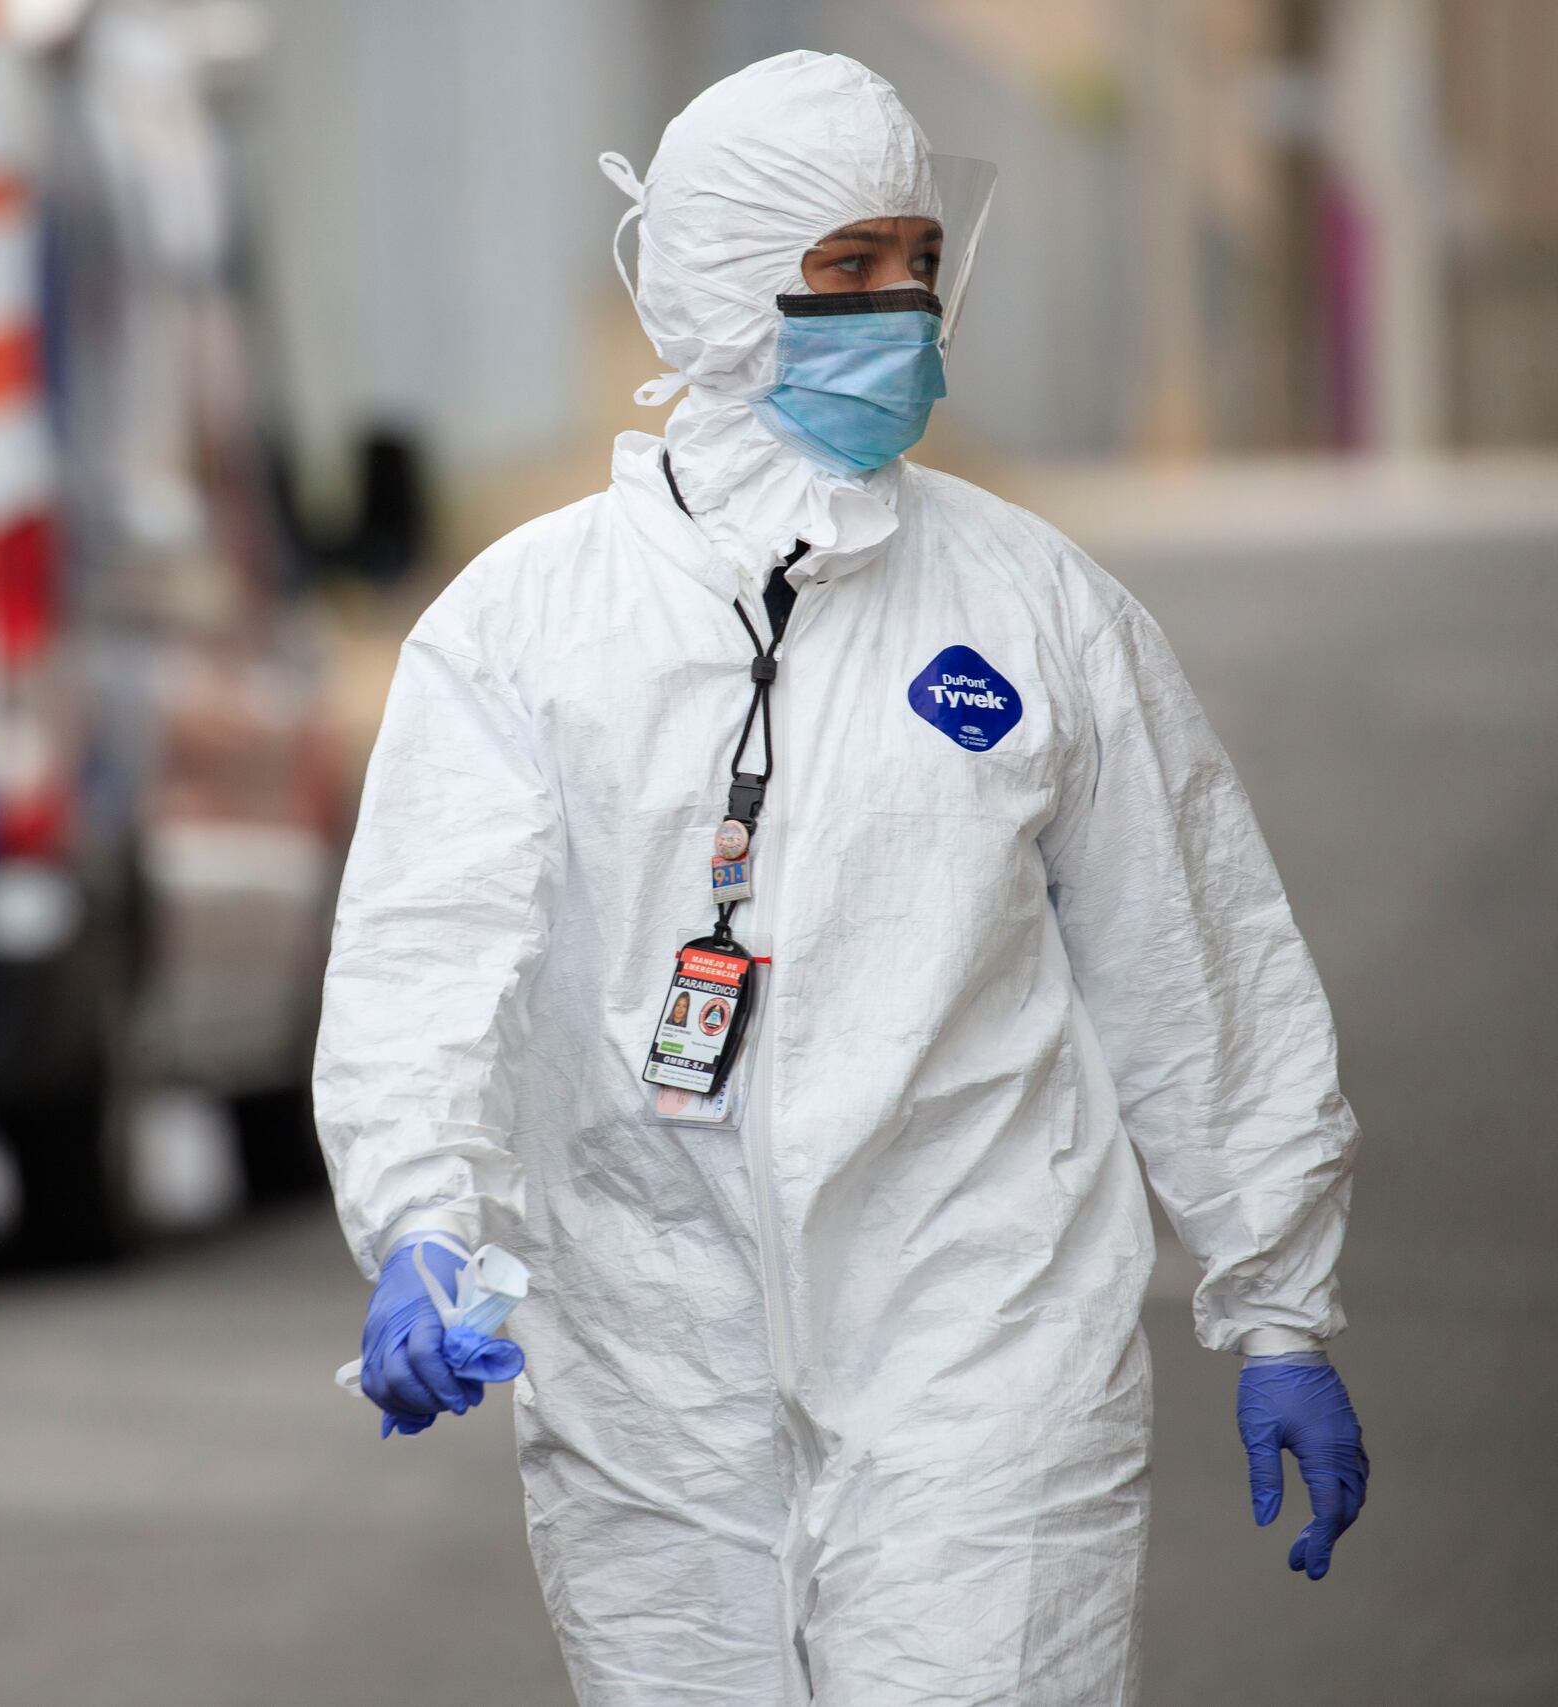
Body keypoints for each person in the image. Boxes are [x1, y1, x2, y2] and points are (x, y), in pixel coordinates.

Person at [316, 51, 1367, 1706]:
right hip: (649, 1362)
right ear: (727, 280)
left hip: (986, 1351)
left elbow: (1196, 956)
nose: (905, 312)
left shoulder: (1036, 610)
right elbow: (430, 956)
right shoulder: (523, 629)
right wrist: (422, 1227)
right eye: (850, 271)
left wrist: (1280, 1299)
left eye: (922, 265)